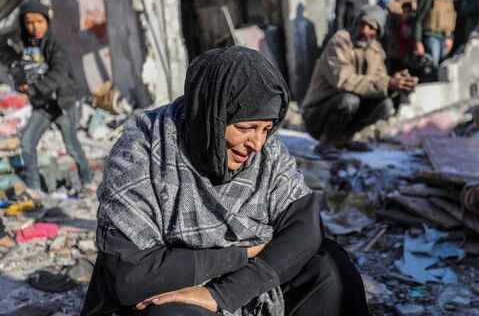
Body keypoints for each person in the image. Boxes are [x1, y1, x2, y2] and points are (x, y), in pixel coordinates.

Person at [80, 47, 369, 316]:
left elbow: (305, 228)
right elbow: (130, 275)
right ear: (211, 115)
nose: (257, 143)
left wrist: (225, 292)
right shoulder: (143, 151)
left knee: (330, 268)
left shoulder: (266, 151)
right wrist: (236, 256)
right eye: (245, 127)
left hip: (239, 288)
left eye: (267, 128)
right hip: (165, 295)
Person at [0, 0, 93, 197]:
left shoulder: (56, 45)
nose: (35, 27)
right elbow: (19, 72)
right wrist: (21, 82)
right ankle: (34, 188)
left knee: (72, 146)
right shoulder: (24, 47)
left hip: (62, 104)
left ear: (47, 22)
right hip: (42, 106)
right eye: (30, 22)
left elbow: (59, 74)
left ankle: (88, 182)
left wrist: (34, 89)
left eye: (39, 21)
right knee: (27, 143)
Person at [302, 5, 418, 160]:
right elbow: (344, 80)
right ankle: (326, 142)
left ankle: (343, 138)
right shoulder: (340, 41)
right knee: (350, 101)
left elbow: (379, 83)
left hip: (345, 109)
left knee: (385, 105)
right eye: (362, 24)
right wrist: (388, 82)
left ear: (377, 32)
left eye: (371, 27)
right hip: (317, 116)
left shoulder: (376, 50)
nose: (364, 31)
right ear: (355, 24)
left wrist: (397, 84)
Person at [413, 0, 457, 68]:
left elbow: (449, 19)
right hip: (432, 37)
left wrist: (449, 38)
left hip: (445, 40)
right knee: (432, 68)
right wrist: (417, 41)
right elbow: (418, 19)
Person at [386, 0, 418, 72]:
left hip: (412, 46)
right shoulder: (393, 3)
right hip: (397, 47)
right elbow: (390, 25)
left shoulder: (417, 2)